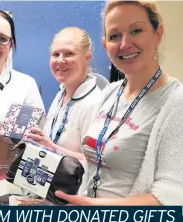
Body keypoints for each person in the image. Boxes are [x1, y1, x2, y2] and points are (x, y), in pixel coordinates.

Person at [49, 0, 182, 205]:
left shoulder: (175, 102)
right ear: (105, 45)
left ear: (158, 33)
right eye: (114, 36)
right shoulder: (111, 93)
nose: (124, 44)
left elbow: (172, 196)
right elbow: (95, 161)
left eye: (136, 30)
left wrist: (93, 205)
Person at [27, 27, 103, 161]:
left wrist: (51, 147)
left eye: (69, 54)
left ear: (87, 58)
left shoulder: (94, 103)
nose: (60, 61)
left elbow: (94, 163)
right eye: (55, 54)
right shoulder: (61, 94)